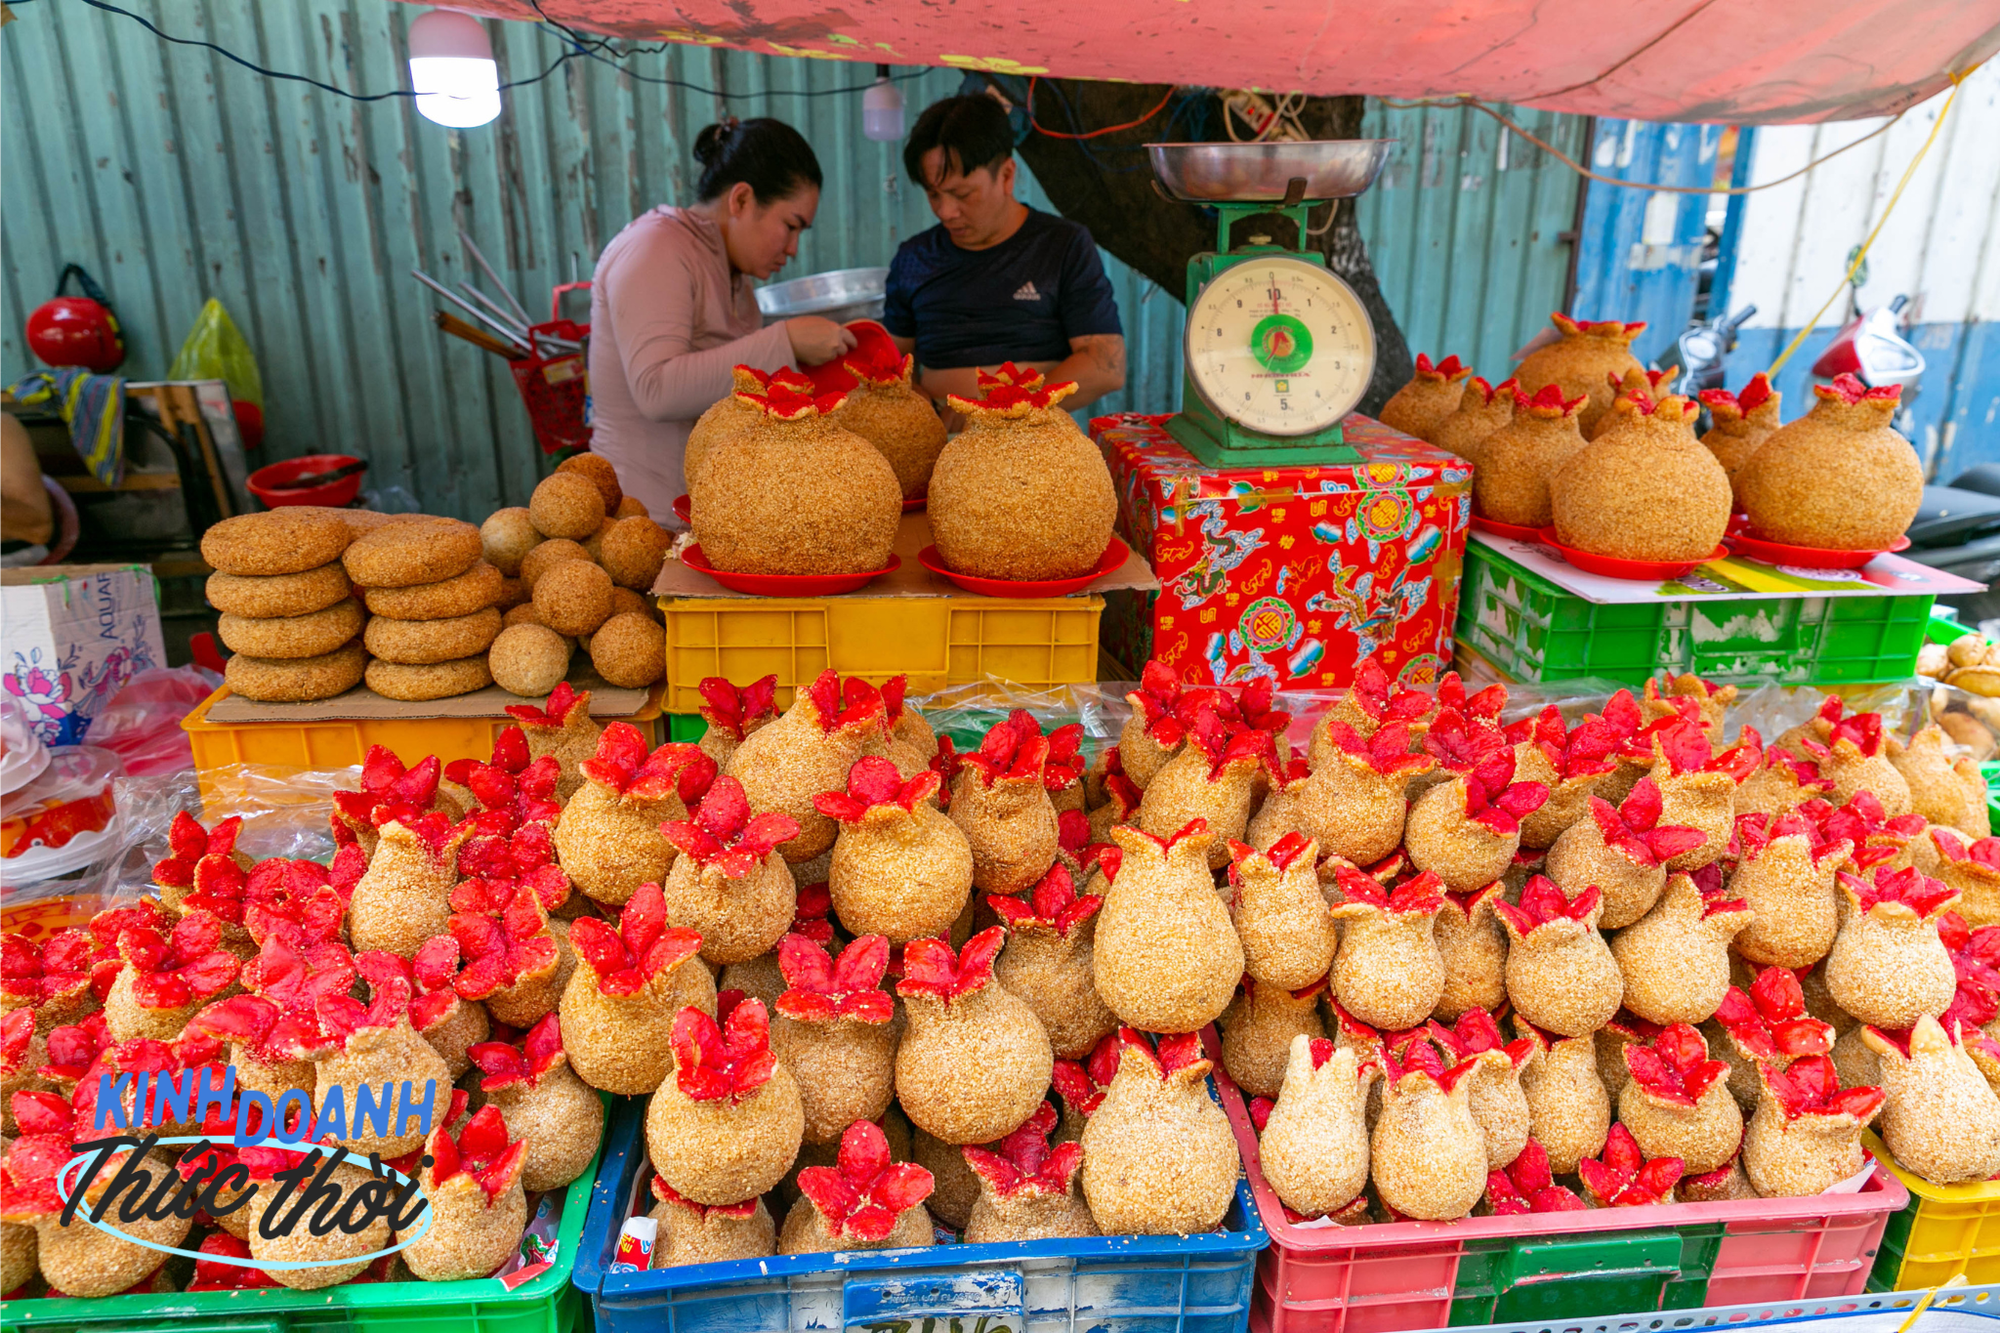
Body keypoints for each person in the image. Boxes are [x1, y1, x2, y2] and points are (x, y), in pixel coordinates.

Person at [588, 117, 855, 520]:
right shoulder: (655, 248)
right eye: (790, 225)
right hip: (641, 521)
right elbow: (656, 389)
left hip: (707, 515)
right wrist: (785, 342)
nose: (794, 248)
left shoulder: (735, 277)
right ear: (742, 200)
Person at [884, 95, 1126, 411]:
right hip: (942, 445)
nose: (945, 211)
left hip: (1034, 442)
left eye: (962, 194)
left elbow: (1105, 365)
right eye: (933, 194)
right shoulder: (913, 258)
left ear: (1007, 176)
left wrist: (1006, 414)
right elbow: (892, 368)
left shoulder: (1063, 245)